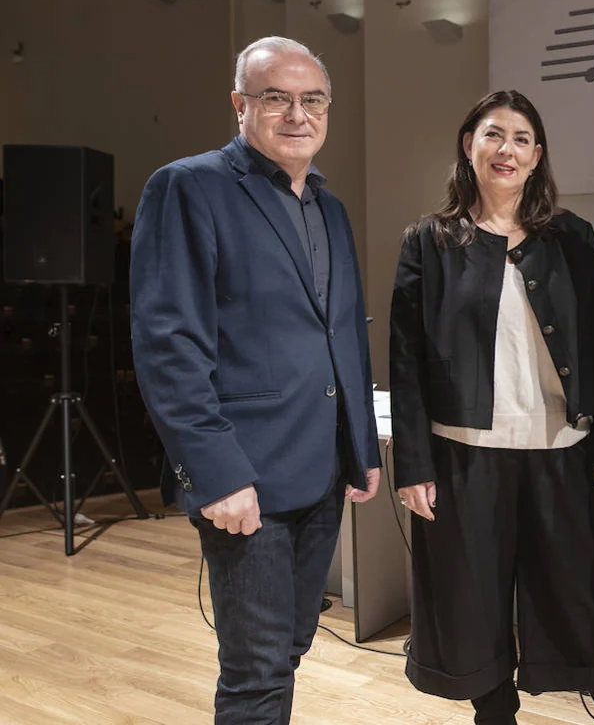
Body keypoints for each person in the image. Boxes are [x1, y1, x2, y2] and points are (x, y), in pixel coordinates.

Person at [130, 36, 381, 725]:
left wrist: (362, 448)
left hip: (323, 469)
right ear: (240, 104)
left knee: (291, 646)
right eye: (277, 98)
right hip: (246, 476)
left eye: (313, 100)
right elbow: (167, 343)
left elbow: (343, 336)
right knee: (257, 669)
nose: (298, 114)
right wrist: (214, 474)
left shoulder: (327, 205)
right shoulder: (190, 185)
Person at [390, 90, 594, 725]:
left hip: (558, 452)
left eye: (521, 138)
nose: (506, 149)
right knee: (470, 603)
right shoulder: (429, 241)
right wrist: (412, 464)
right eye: (493, 134)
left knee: (584, 600)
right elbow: (405, 358)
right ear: (468, 145)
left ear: (538, 157)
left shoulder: (571, 238)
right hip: (462, 457)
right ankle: (495, 713)